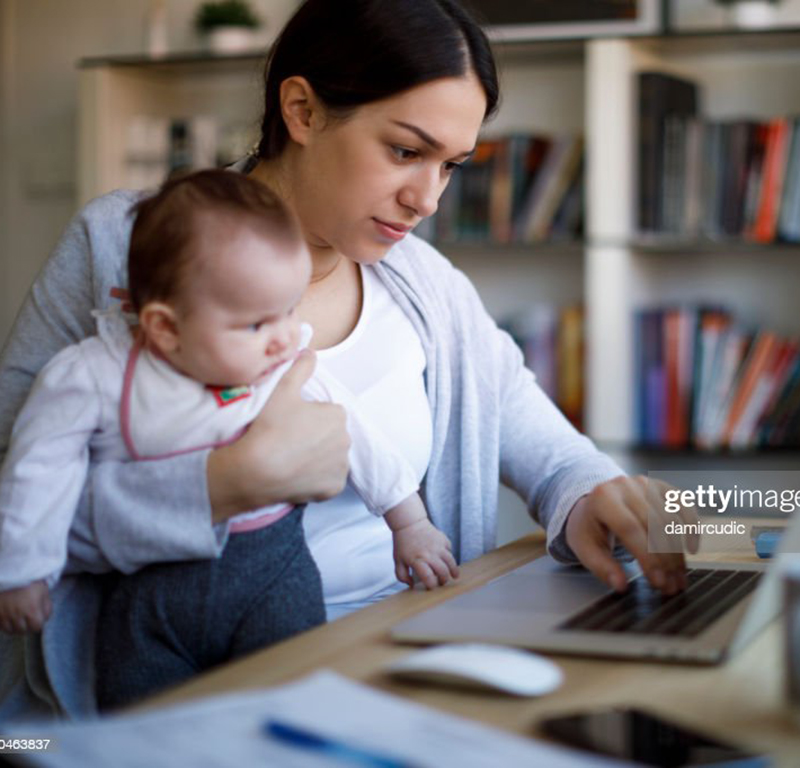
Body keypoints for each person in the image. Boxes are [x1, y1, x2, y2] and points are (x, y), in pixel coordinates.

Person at [0, 0, 691, 720]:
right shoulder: (122, 245)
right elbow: (12, 492)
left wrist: (592, 496)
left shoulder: (429, 286)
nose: (427, 199)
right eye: (404, 151)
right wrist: (222, 487)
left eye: (451, 165)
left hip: (407, 663)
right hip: (177, 674)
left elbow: (545, 449)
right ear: (301, 110)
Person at [0, 169, 457, 707]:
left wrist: (410, 522)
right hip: (149, 589)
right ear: (166, 328)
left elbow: (358, 432)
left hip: (273, 574)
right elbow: (36, 468)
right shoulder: (94, 375)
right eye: (256, 323)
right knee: (139, 711)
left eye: (290, 310)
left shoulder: (280, 356)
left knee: (291, 699)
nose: (286, 336)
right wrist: (23, 570)